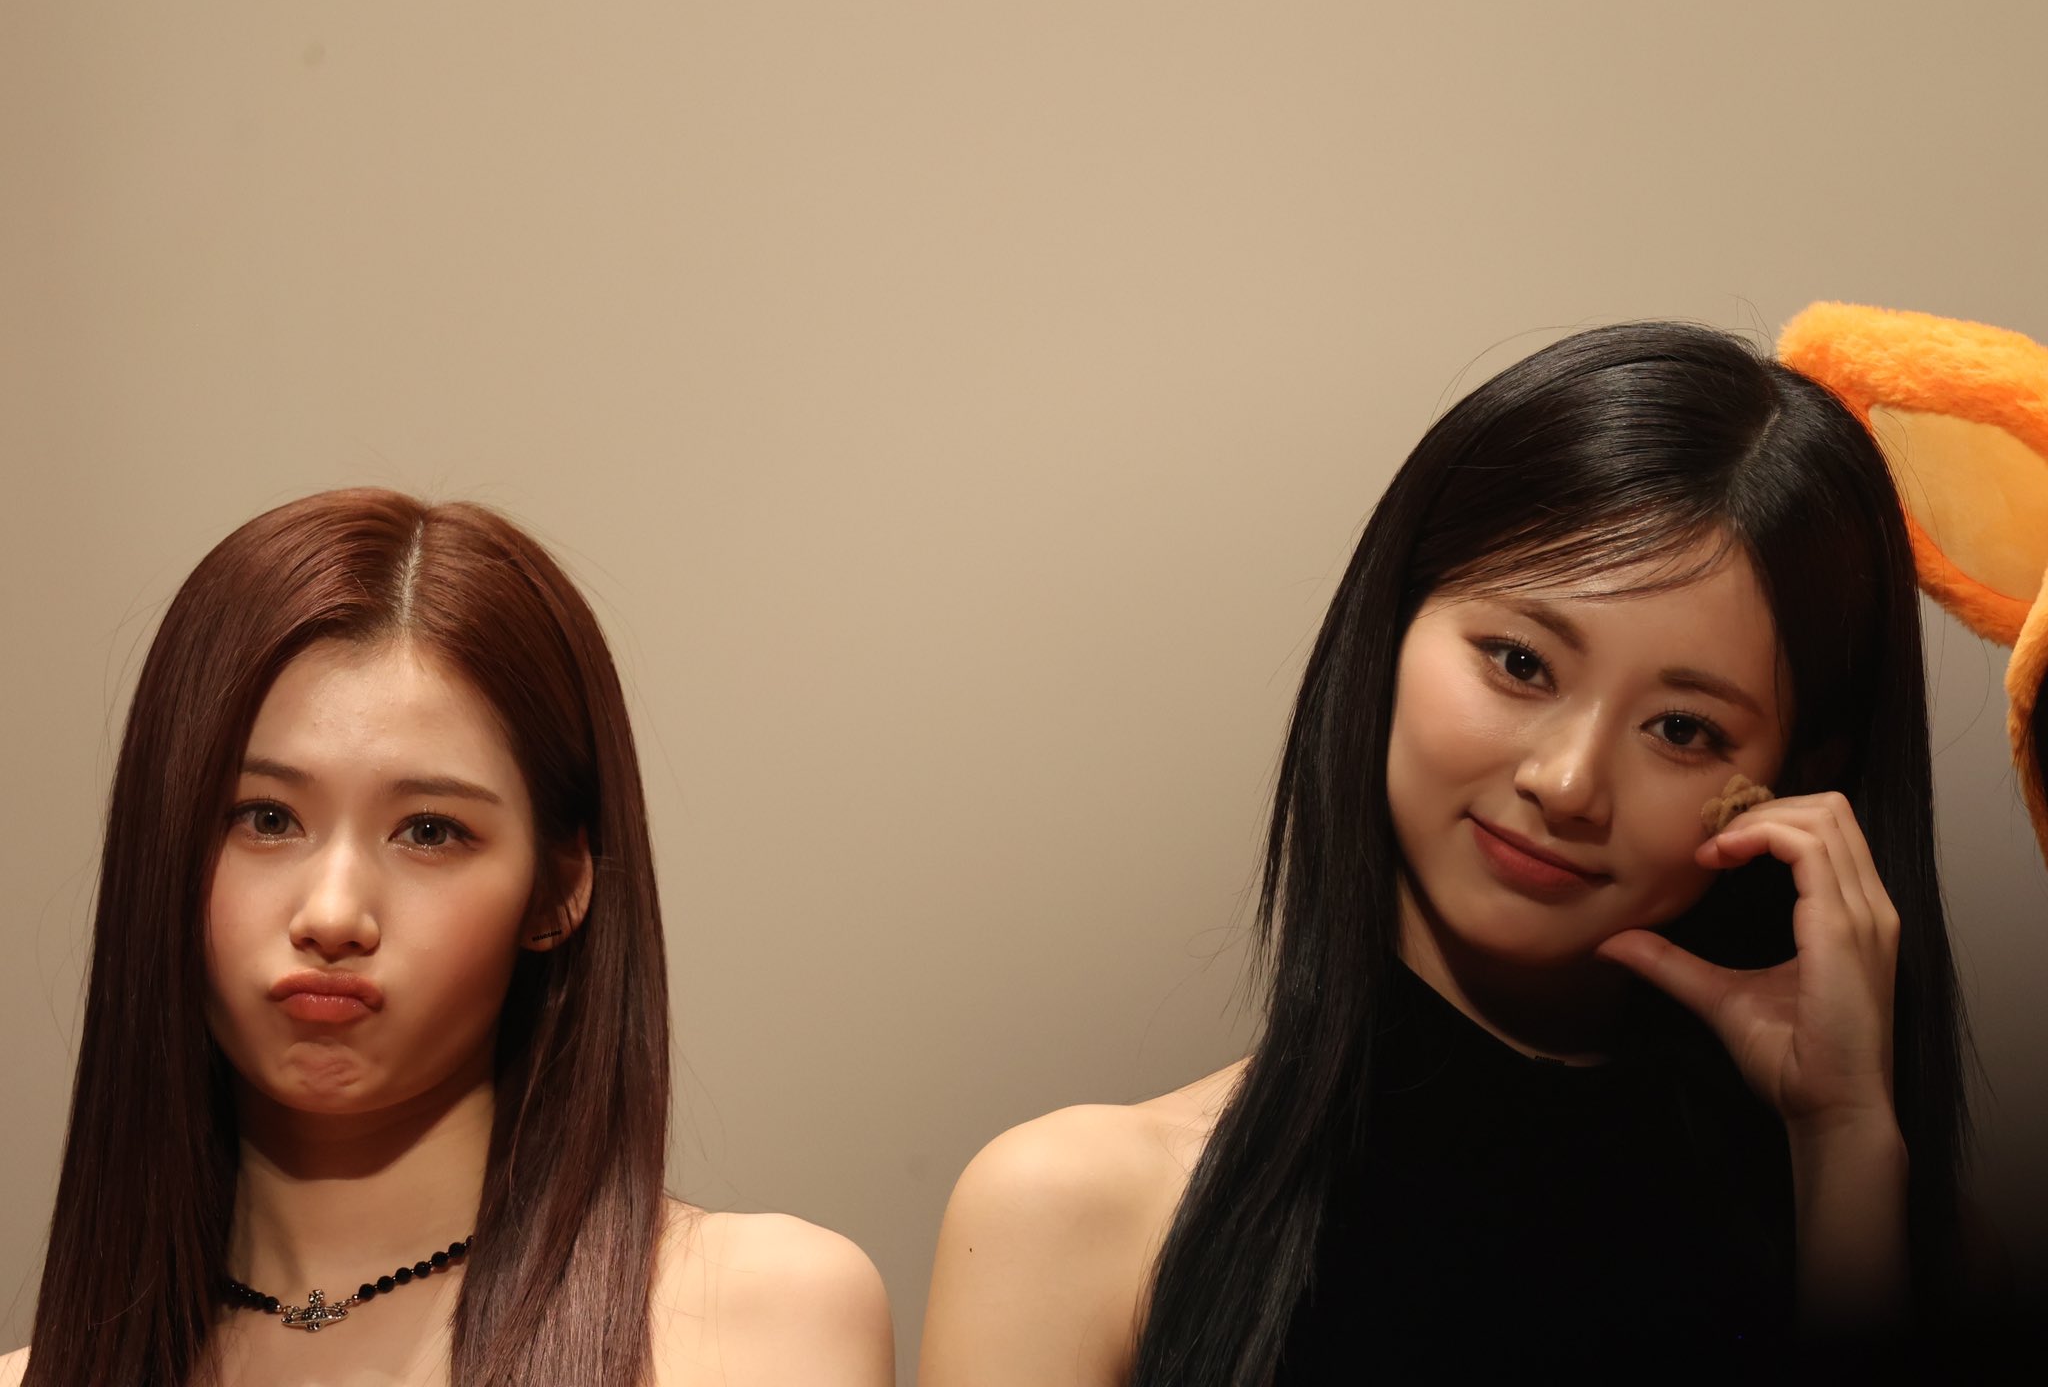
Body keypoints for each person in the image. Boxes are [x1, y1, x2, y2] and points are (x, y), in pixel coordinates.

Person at [919, 322, 1995, 1384]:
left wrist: (1845, 1137)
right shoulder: (1079, 1212)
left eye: (1681, 729)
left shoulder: (1896, 1252)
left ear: (1790, 789)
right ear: (1388, 625)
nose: (1566, 783)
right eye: (1519, 663)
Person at [2, 490, 893, 1387]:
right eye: (265, 818)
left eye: (429, 832)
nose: (333, 914)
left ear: (559, 885)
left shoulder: (758, 1325)